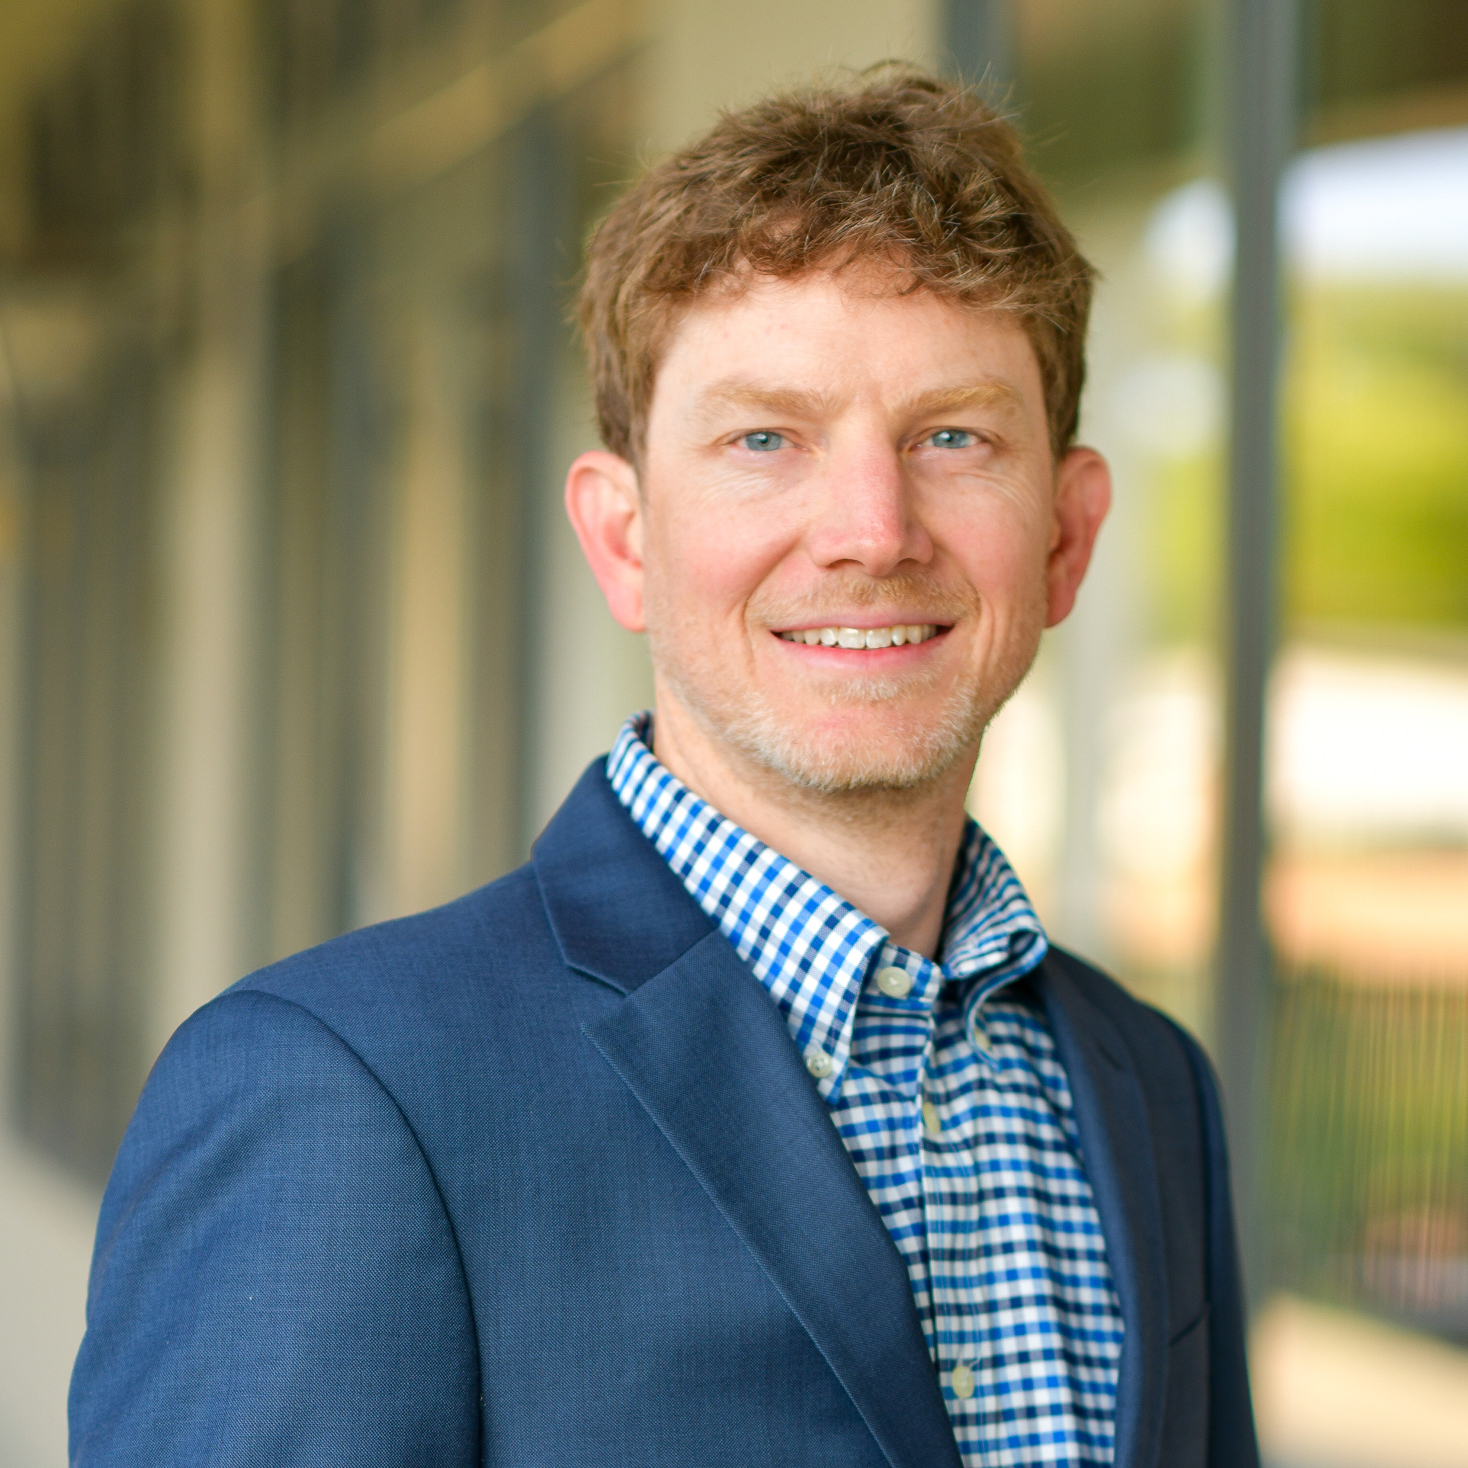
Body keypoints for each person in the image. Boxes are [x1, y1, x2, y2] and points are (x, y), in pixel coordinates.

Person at [70, 69, 1259, 1468]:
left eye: (953, 436)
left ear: (1065, 535)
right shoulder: (338, 1096)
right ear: (625, 538)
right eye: (766, 439)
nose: (872, 531)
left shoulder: (1148, 1083)